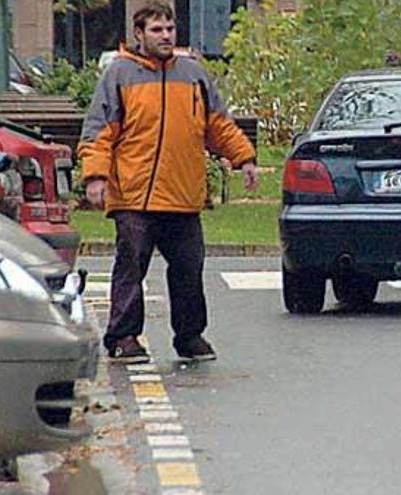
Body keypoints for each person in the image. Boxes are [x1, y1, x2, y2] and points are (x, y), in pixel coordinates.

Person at [78, 0, 258, 361]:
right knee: (131, 267)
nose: (165, 36)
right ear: (139, 34)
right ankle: (124, 337)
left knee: (189, 270)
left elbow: (217, 124)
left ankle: (190, 336)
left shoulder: (192, 74)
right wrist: (96, 176)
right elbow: (99, 132)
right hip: (134, 195)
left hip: (182, 194)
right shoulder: (119, 75)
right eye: (157, 30)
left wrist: (244, 158)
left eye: (169, 29)